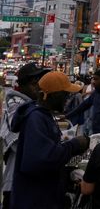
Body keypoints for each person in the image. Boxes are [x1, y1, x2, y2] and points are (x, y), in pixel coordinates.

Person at [10, 71, 90, 209]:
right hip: (34, 200)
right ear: (53, 95)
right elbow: (42, 159)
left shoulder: (43, 116)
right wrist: (74, 145)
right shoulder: (36, 119)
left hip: (41, 196)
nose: (68, 98)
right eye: (65, 94)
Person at [0, 63, 49, 209]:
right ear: (22, 86)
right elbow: (22, 142)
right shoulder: (16, 107)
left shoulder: (30, 105)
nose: (39, 87)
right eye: (35, 84)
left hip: (26, 182)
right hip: (16, 182)